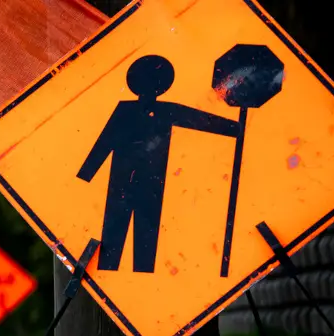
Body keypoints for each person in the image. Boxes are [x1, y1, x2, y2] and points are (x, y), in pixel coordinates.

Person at [77, 55, 242, 274]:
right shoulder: (128, 110)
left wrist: (235, 128)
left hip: (150, 183)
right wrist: (85, 175)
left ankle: (140, 276)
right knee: (114, 237)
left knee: (145, 237)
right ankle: (113, 271)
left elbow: (198, 119)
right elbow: (104, 143)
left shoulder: (163, 110)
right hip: (125, 183)